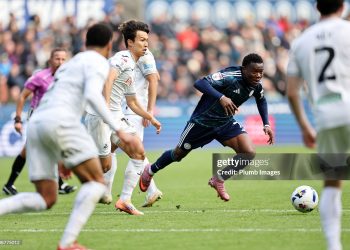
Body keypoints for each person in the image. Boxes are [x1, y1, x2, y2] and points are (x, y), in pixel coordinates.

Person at [0, 22, 124, 250]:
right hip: (61, 121)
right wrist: (119, 129)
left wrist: (63, 156)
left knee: (45, 198)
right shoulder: (97, 61)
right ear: (109, 45)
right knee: (97, 183)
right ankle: (67, 242)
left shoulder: (72, 63)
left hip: (37, 123)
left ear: (86, 43)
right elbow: (92, 96)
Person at [139, 53, 274, 201]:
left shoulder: (256, 86)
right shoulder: (230, 76)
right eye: (254, 71)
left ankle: (219, 179)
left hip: (224, 122)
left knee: (248, 152)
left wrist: (266, 123)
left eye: (261, 72)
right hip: (201, 122)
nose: (258, 75)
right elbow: (199, 83)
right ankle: (150, 170)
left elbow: (261, 100)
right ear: (243, 69)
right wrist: (221, 97)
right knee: (178, 154)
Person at [287, 1, 350, 249]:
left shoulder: (302, 41)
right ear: (342, 7)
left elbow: (292, 91)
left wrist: (304, 126)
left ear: (317, 8)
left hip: (326, 117)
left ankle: (333, 246)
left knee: (333, 182)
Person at [84, 20, 162, 215]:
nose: (146, 44)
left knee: (138, 152)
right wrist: (106, 108)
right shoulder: (122, 58)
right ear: (129, 42)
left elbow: (133, 102)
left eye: (147, 40)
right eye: (142, 40)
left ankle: (124, 200)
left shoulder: (132, 66)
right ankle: (71, 161)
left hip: (116, 116)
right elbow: (107, 80)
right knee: (105, 165)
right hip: (100, 117)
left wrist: (150, 117)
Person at [2, 48, 78, 196]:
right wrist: (18, 120)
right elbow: (22, 96)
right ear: (50, 60)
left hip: (54, 118)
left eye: (63, 59)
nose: (60, 62)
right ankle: (10, 184)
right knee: (39, 149)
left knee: (43, 149)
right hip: (37, 118)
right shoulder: (40, 77)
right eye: (57, 58)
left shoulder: (67, 77)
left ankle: (11, 184)